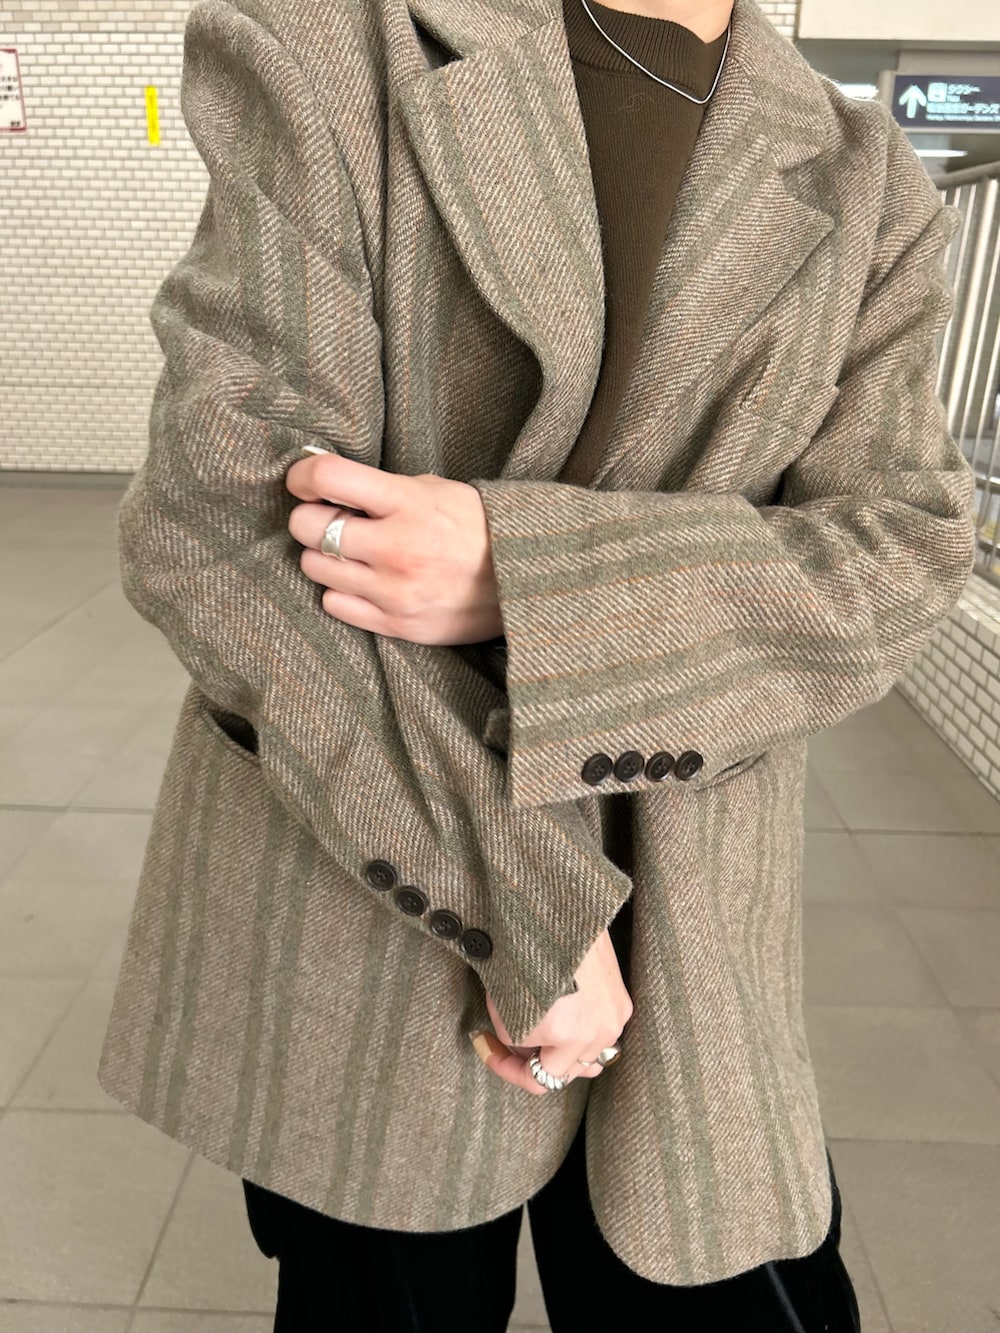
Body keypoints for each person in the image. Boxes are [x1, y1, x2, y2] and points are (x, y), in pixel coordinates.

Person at [97, 0, 977, 1327]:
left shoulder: (867, 181)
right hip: (372, 894)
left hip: (690, 923)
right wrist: (533, 909)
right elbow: (220, 521)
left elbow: (904, 548)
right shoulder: (334, 42)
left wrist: (525, 572)